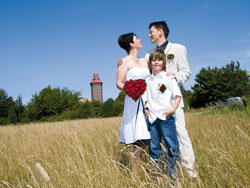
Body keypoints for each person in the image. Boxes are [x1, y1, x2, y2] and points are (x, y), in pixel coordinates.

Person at [145, 21, 197, 178]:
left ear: (160, 32)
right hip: (156, 108)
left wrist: (175, 77)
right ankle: (171, 173)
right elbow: (145, 73)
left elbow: (186, 72)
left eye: (151, 32)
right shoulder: (149, 55)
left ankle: (190, 173)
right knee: (162, 141)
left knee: (181, 135)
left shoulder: (179, 49)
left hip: (174, 102)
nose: (149, 35)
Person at [143, 49, 181, 178]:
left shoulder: (168, 77)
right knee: (154, 149)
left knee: (172, 147)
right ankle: (156, 177)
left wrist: (173, 109)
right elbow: (145, 96)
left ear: (163, 62)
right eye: (153, 60)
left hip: (166, 117)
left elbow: (178, 96)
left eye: (159, 60)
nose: (156, 62)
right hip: (152, 118)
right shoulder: (148, 79)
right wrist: (146, 107)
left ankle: (173, 177)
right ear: (150, 62)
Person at [116, 33, 151, 173]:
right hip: (134, 100)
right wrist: (133, 90)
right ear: (131, 43)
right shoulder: (124, 61)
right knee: (139, 138)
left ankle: (145, 170)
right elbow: (119, 82)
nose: (140, 40)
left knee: (148, 137)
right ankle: (135, 173)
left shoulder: (144, 61)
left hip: (149, 100)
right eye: (137, 38)